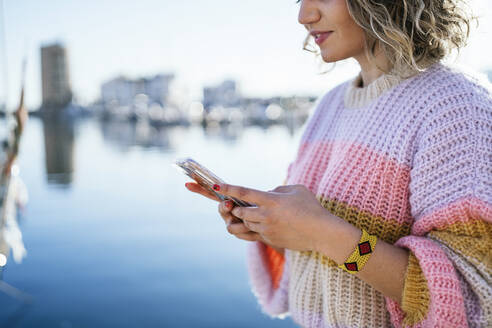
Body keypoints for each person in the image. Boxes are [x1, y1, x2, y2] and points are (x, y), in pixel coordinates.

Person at [185, 0, 492, 327]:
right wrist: (270, 226)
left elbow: (472, 295)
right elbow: (315, 243)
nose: (304, 16)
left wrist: (320, 232)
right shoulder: (329, 106)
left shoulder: (456, 107)